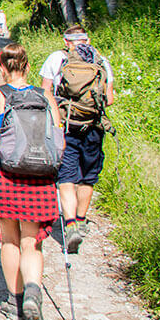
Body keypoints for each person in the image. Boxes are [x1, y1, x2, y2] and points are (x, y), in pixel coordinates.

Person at [0, 43, 62, 320]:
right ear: (28, 66)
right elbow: (58, 140)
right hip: (39, 176)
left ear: (1, 65)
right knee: (31, 242)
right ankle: (33, 291)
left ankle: (15, 301)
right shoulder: (45, 96)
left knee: (10, 239)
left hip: (4, 174)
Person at [40, 25, 115, 254]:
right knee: (88, 175)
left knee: (66, 174)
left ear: (66, 41)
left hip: (67, 126)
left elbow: (45, 92)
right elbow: (109, 99)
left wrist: (56, 118)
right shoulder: (100, 61)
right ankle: (82, 221)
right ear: (87, 39)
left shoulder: (57, 58)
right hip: (93, 127)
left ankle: (69, 223)